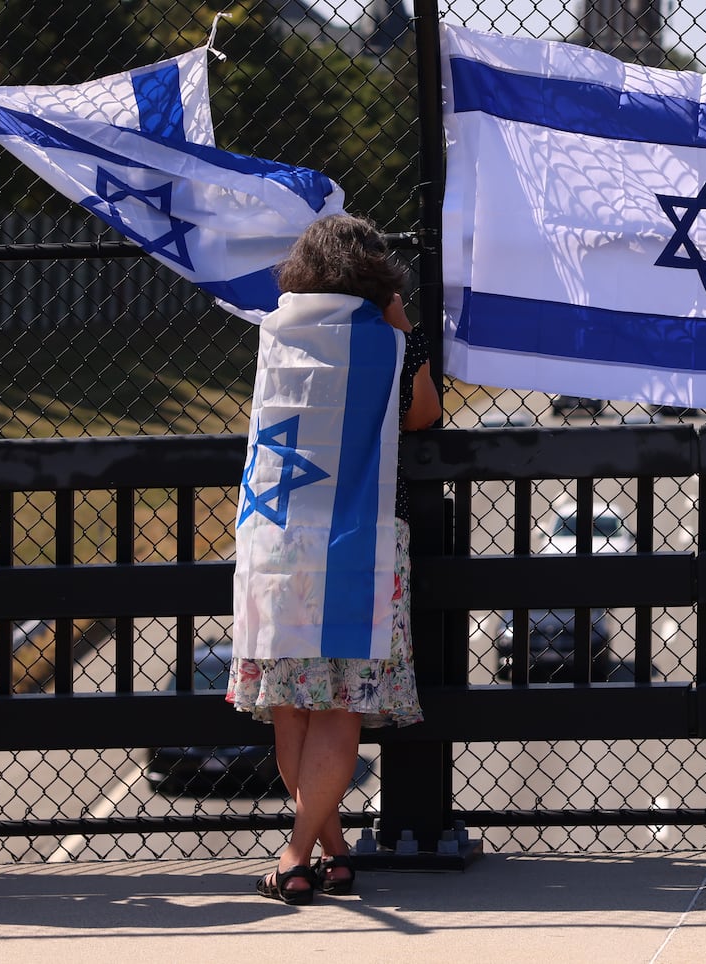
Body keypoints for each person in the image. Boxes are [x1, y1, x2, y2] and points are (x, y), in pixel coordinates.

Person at [227, 214, 440, 904]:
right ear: (376, 275)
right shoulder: (388, 341)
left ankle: (333, 850)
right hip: (360, 542)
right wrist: (402, 323)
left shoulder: (277, 333)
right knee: (340, 704)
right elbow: (422, 415)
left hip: (279, 540)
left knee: (292, 705)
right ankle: (300, 854)